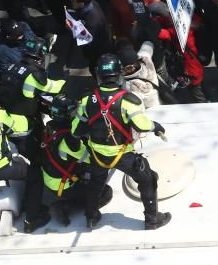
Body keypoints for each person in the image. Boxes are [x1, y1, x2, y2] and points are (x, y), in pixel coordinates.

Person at [72, 54, 170, 230]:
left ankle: (91, 217)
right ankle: (152, 219)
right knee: (148, 179)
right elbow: (141, 125)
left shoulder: (87, 100)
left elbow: (76, 130)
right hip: (122, 154)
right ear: (119, 75)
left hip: (97, 155)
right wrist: (156, 126)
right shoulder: (129, 100)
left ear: (99, 76)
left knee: (96, 184)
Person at [24, 94, 93, 233]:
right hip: (63, 186)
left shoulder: (48, 127)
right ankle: (65, 207)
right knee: (104, 192)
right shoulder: (69, 139)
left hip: (49, 177)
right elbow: (90, 159)